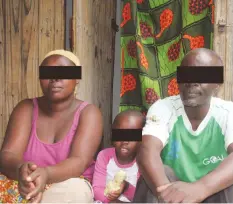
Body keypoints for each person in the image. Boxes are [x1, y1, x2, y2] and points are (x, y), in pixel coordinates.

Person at [0, 50, 103, 203]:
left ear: (77, 78)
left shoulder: (89, 113)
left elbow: (79, 161)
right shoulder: (26, 108)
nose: (55, 78)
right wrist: (21, 170)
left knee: (74, 191)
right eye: (48, 73)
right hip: (23, 183)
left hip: (67, 183)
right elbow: (8, 154)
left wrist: (46, 174)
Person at [133, 48, 233, 203]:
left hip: (211, 193)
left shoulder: (227, 112)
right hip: (172, 193)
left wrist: (200, 188)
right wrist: (169, 196)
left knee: (229, 182)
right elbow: (147, 152)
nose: (191, 82)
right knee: (154, 176)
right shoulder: (163, 108)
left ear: (217, 84)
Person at [92, 110, 144, 203]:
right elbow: (97, 190)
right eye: (120, 134)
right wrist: (112, 201)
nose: (125, 141)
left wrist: (126, 187)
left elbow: (141, 196)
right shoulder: (104, 156)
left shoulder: (142, 161)